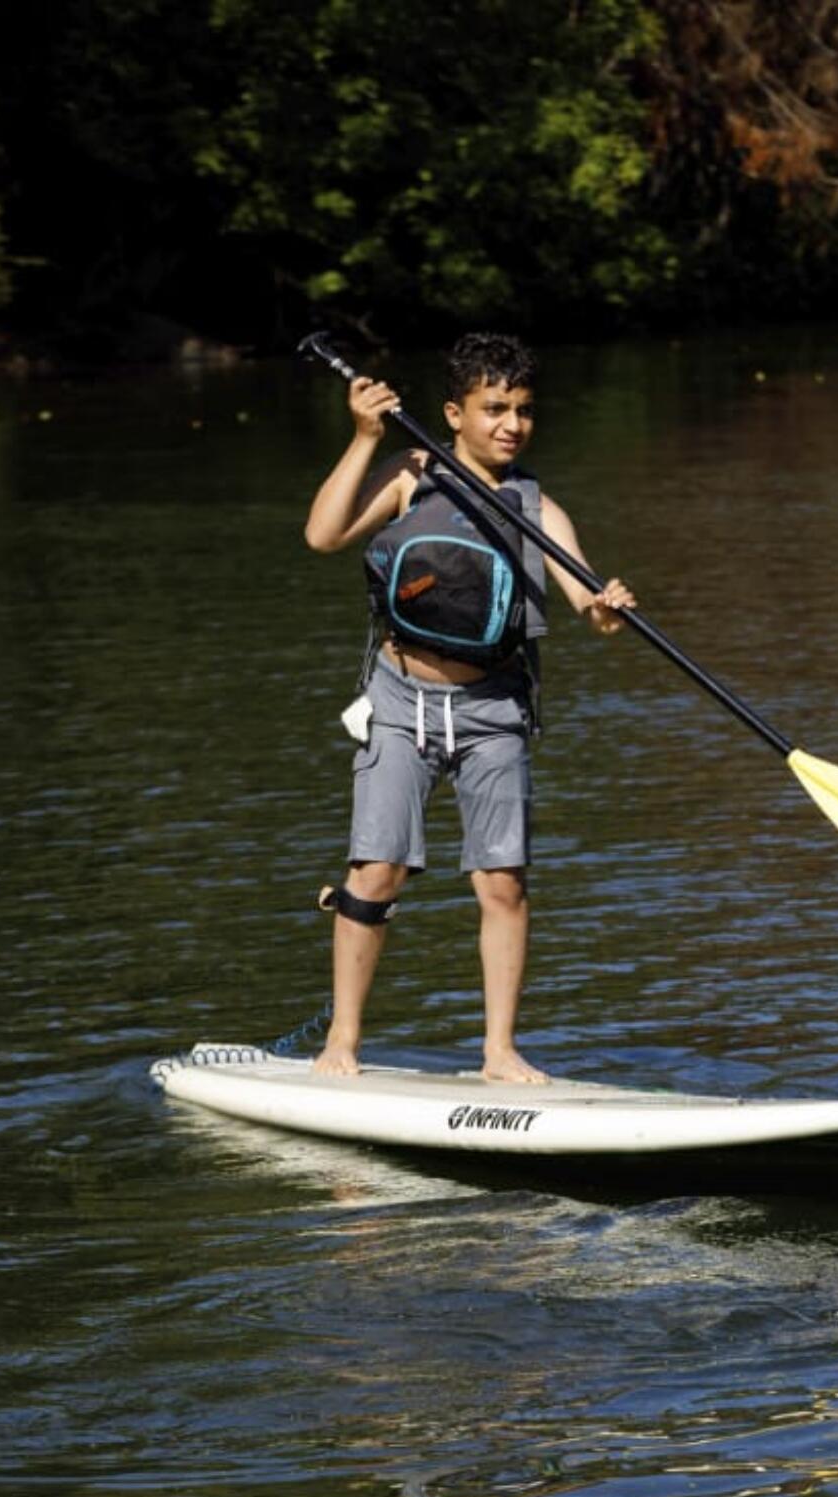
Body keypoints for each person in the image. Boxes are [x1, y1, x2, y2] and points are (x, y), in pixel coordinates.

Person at [304, 331, 635, 1082]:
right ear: (454, 412)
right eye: (493, 409)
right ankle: (342, 1044)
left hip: (495, 709)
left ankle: (499, 1052)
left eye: (521, 410)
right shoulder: (411, 472)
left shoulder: (538, 508)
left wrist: (610, 604)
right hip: (398, 701)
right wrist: (363, 438)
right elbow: (322, 535)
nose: (510, 424)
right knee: (375, 875)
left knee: (503, 882)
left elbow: (590, 605)